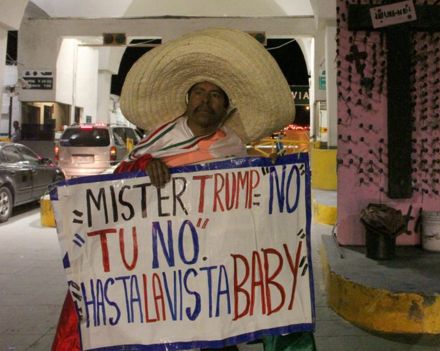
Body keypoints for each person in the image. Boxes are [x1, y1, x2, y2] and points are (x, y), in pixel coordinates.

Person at [52, 28, 315, 351]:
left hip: (215, 269)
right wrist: (144, 166)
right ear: (188, 100)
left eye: (215, 94)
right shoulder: (160, 141)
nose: (206, 100)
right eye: (199, 93)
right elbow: (117, 188)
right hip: (161, 269)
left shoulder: (232, 147)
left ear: (226, 106)